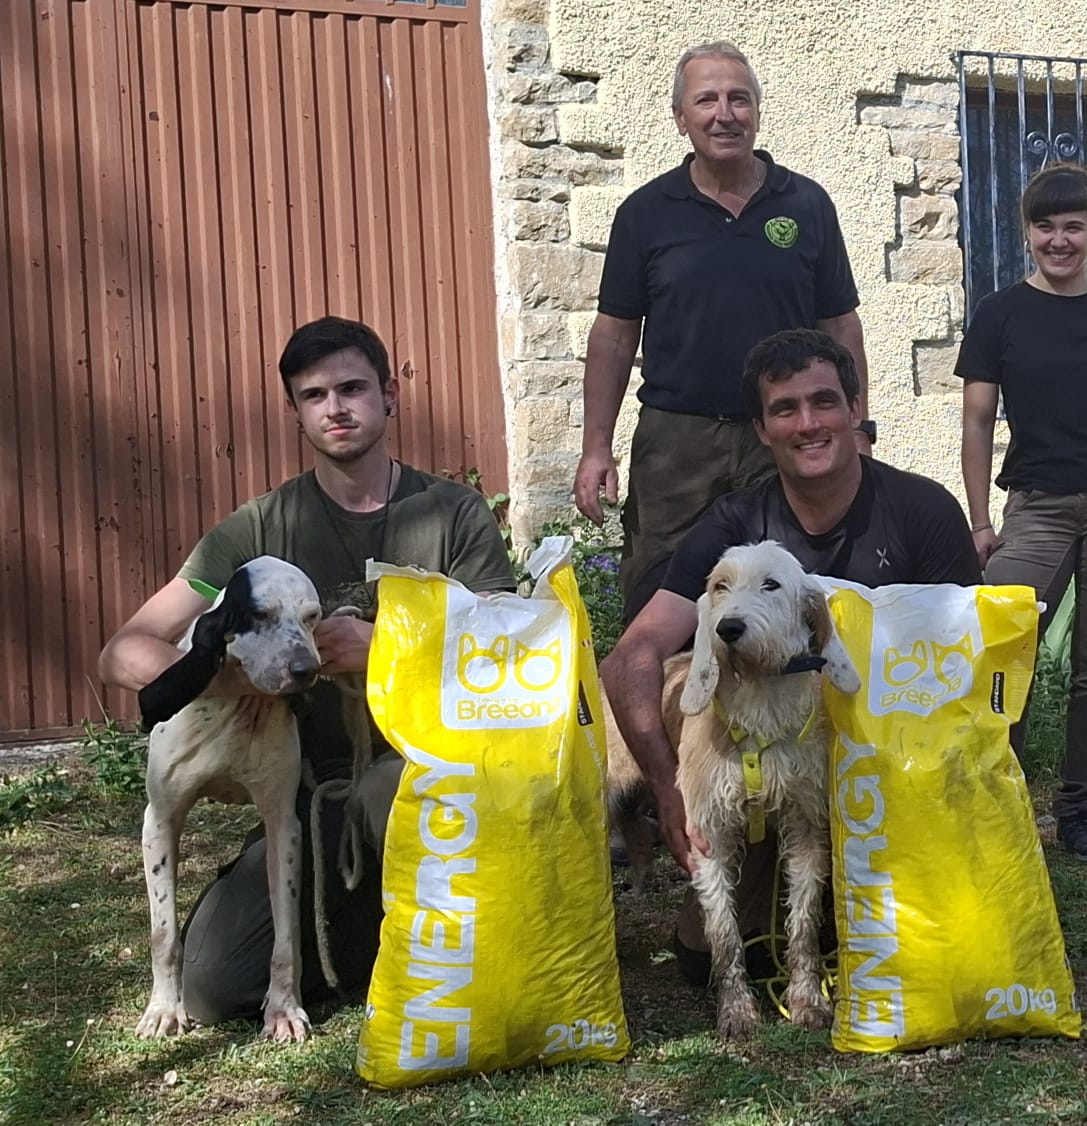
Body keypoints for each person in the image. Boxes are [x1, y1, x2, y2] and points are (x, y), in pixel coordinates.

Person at [97, 316, 518, 1023]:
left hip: (435, 773)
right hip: (311, 794)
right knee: (212, 987)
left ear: (389, 396)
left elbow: (513, 644)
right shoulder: (256, 530)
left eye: (353, 388)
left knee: (393, 799)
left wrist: (389, 642)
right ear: (296, 412)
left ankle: (418, 937)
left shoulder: (454, 513)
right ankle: (393, 938)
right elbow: (125, 652)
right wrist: (243, 674)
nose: (337, 408)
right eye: (315, 395)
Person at [601, 328, 978, 982]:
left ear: (855, 410)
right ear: (761, 428)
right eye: (785, 409)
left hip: (894, 776)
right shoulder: (734, 526)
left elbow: (973, 668)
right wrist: (669, 792)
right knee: (707, 967)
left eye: (824, 401)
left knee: (921, 955)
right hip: (775, 781)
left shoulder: (924, 513)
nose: (808, 423)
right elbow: (632, 658)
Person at [575, 40, 872, 623]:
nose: (724, 113)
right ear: (680, 117)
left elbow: (839, 323)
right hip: (676, 442)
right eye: (706, 99)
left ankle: (790, 712)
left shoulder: (807, 204)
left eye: (739, 99)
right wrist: (595, 447)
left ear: (757, 112)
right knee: (660, 589)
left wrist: (856, 427)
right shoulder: (645, 213)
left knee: (793, 592)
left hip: (785, 434)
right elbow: (613, 335)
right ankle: (667, 703)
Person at [957, 163, 1087, 863]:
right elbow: (979, 421)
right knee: (1000, 645)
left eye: (1074, 225)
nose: (1060, 239)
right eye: (1046, 226)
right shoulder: (999, 314)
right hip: (1036, 506)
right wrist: (982, 520)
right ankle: (996, 798)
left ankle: (1082, 813)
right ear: (1028, 234)